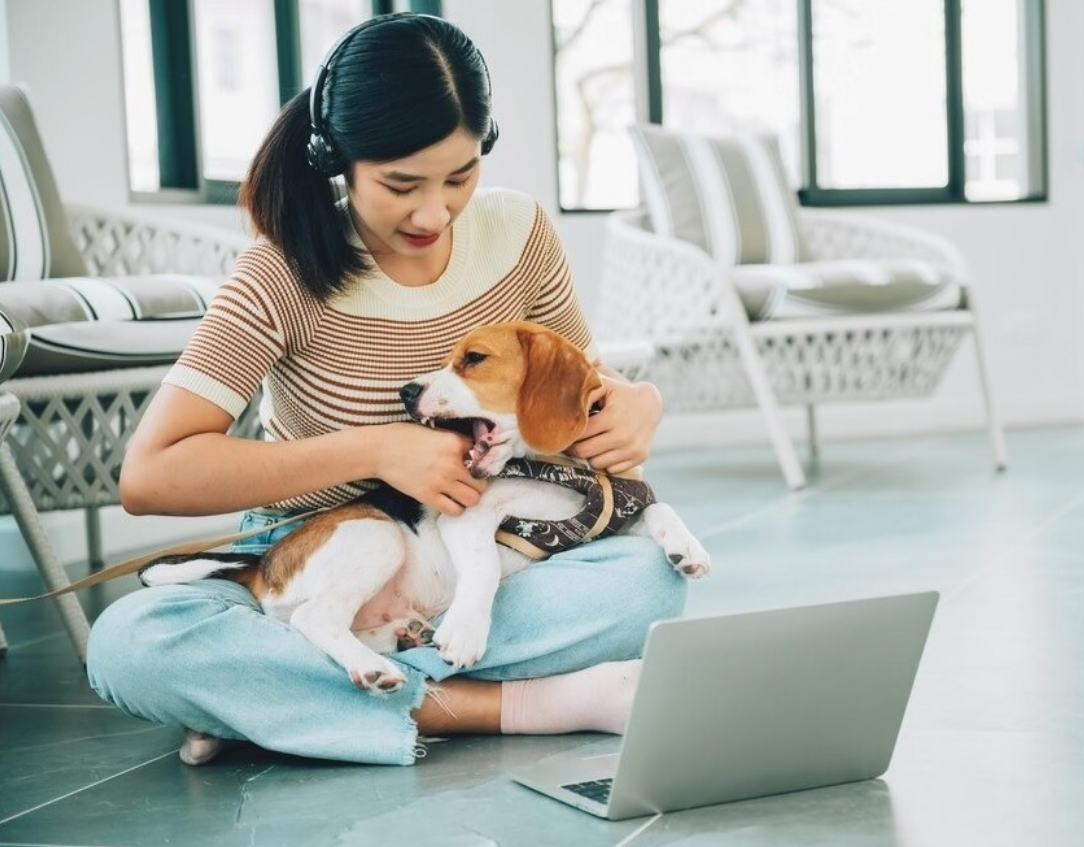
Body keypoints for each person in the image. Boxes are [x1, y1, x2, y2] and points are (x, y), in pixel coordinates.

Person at [85, 12, 685, 767]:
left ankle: (275, 698)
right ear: (336, 159)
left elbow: (581, 384)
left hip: (494, 552)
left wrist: (642, 401)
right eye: (400, 184)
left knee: (648, 581)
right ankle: (510, 704)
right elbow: (150, 474)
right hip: (306, 555)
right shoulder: (280, 272)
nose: (433, 212)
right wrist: (377, 449)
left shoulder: (522, 234)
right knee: (131, 643)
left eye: (459, 177)